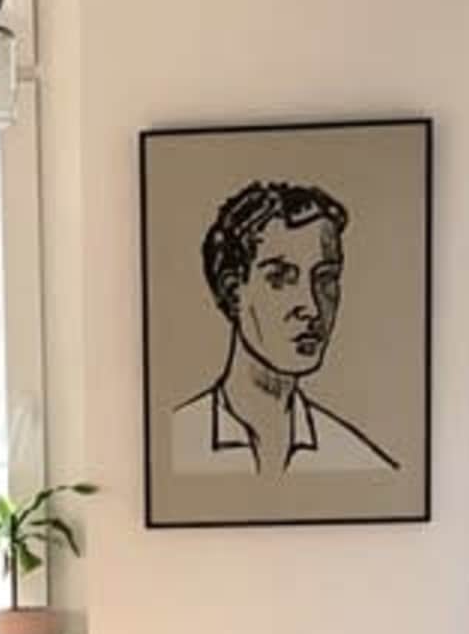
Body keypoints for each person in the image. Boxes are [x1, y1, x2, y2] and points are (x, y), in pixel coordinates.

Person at [166, 179, 398, 475]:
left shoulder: (360, 461)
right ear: (233, 290)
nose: (312, 309)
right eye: (281, 278)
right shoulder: (175, 445)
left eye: (325, 278)